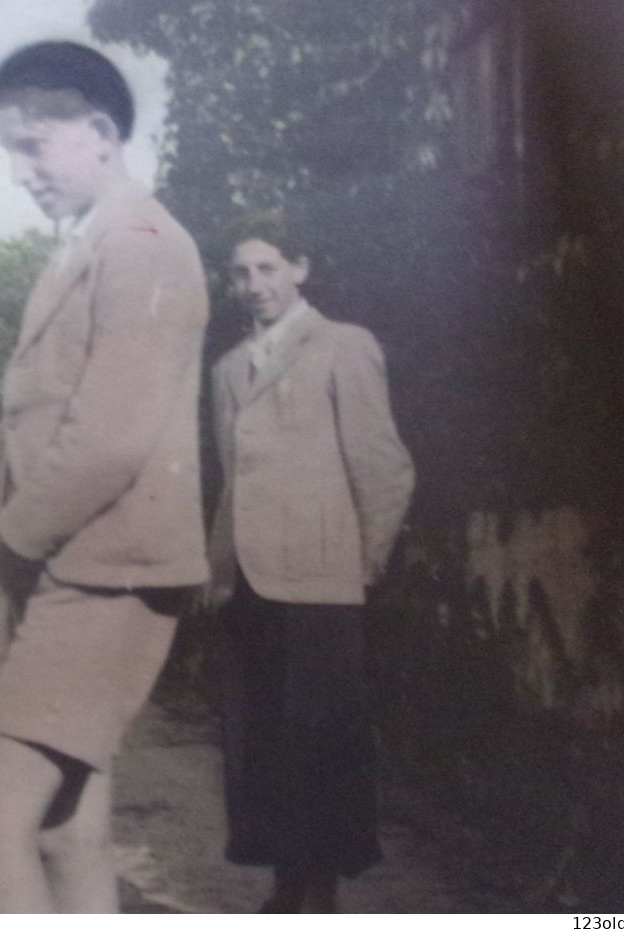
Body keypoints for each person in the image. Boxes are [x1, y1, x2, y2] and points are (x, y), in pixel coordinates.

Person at [0, 41, 210, 912]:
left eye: (31, 146)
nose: (19, 173)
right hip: (75, 570)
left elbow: (107, 442)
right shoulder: (81, 252)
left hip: (107, 577)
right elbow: (21, 430)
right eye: (7, 152)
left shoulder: (143, 247)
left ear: (99, 132)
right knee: (65, 830)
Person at [206, 212, 415, 912]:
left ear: (299, 269)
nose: (252, 285)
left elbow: (382, 467)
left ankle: (319, 894)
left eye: (267, 268)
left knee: (319, 744)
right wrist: (217, 570)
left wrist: (363, 566)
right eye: (240, 272)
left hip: (323, 582)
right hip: (247, 583)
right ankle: (283, 885)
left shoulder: (343, 347)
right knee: (258, 740)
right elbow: (229, 481)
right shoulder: (228, 369)